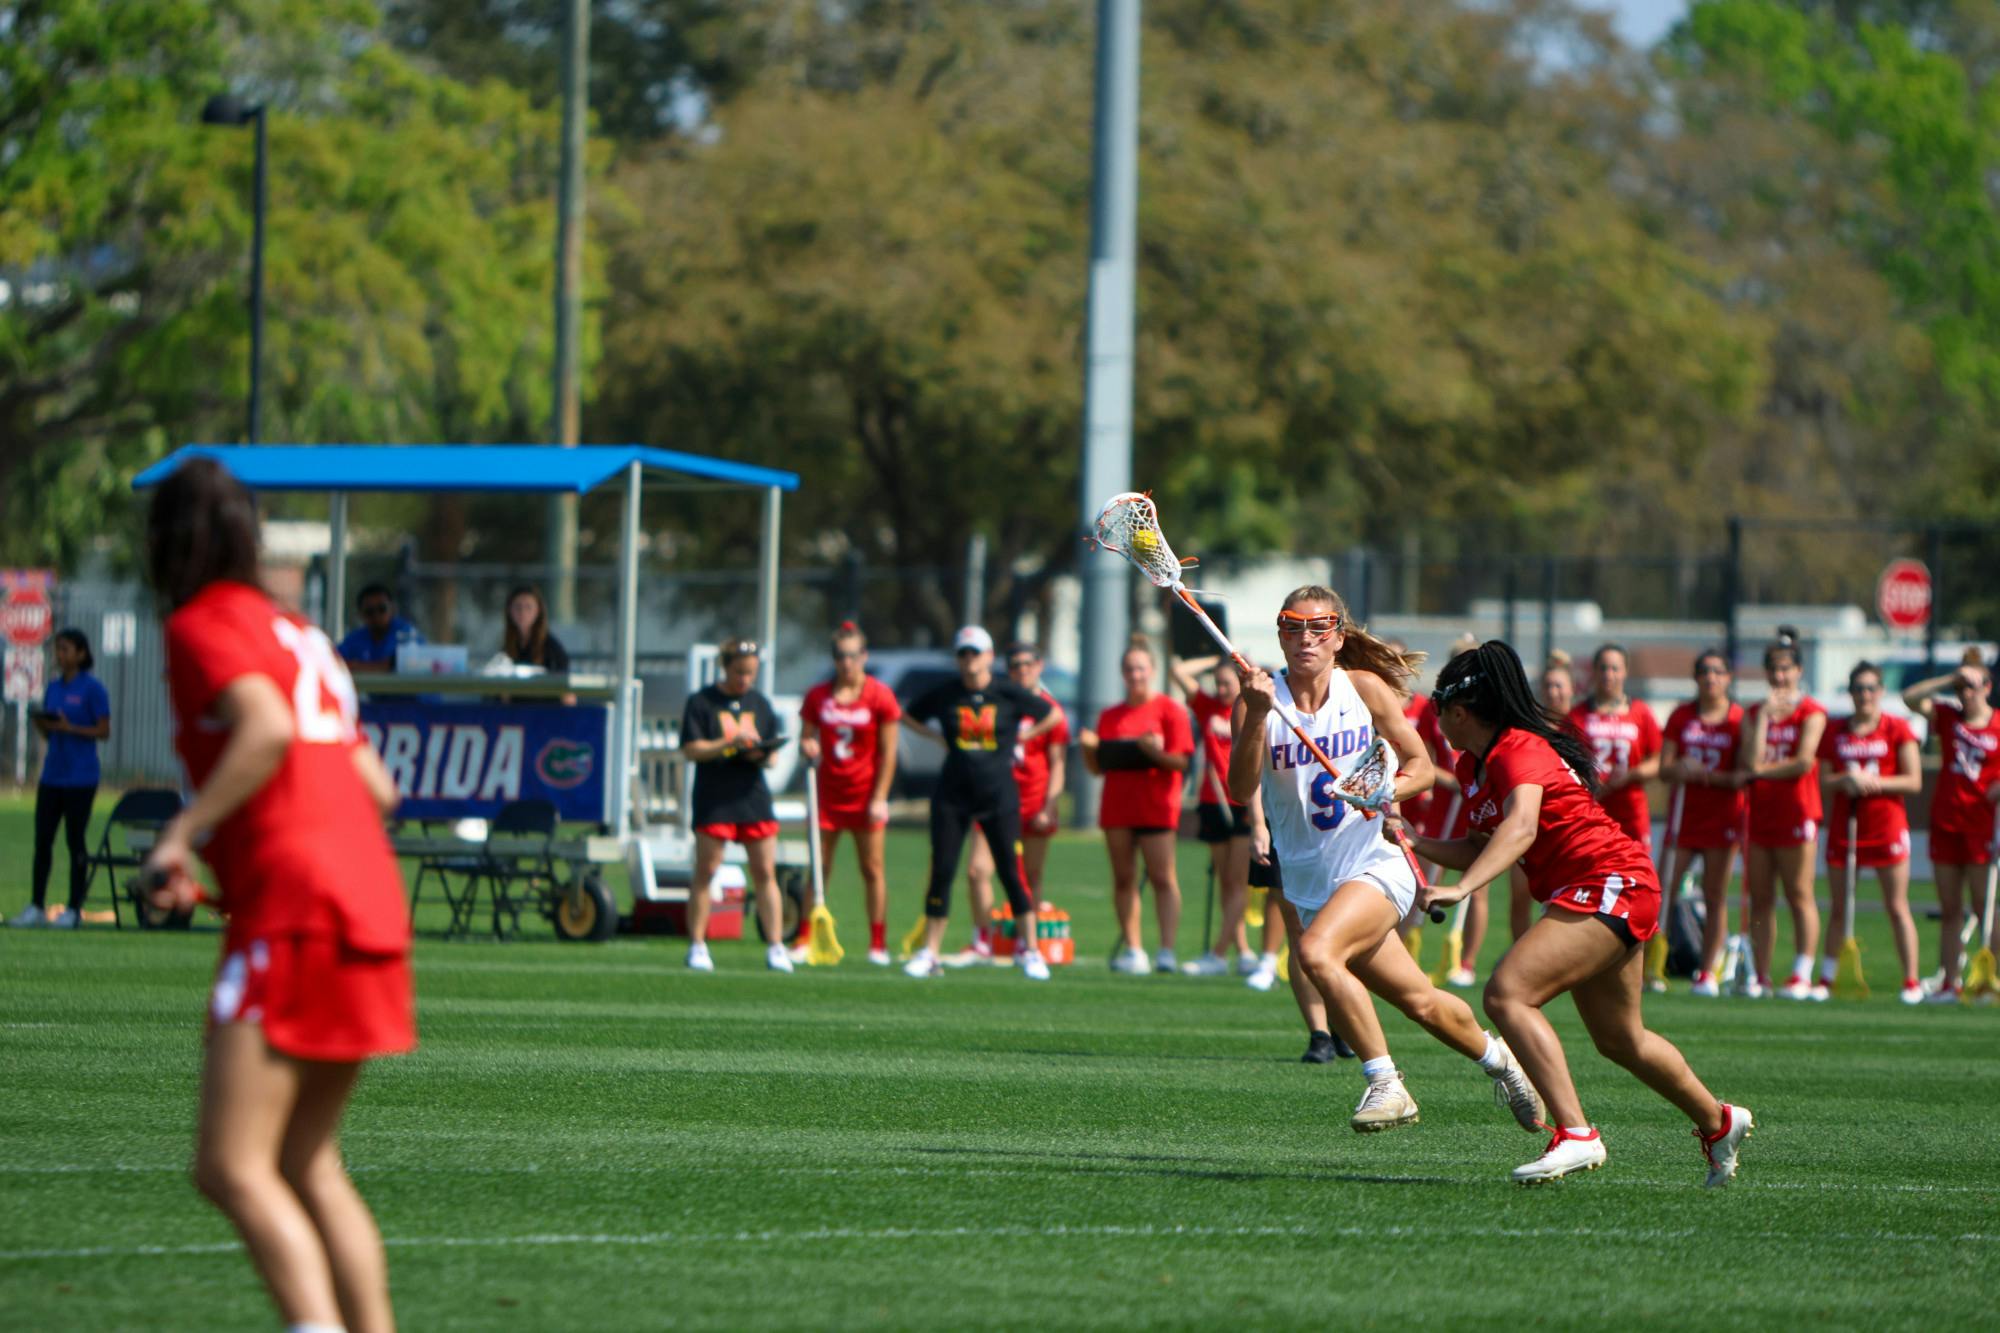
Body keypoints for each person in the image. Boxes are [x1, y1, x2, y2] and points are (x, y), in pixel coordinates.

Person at [140, 457, 412, 1332]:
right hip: (366, 898)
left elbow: (264, 727)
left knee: (229, 1165)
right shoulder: (303, 634)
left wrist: (183, 833)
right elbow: (374, 786)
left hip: (299, 905)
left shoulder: (201, 623)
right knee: (306, 1159)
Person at [1413, 640, 1752, 1186]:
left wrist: (1462, 891)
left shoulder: (1515, 749)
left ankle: (1576, 1134)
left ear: (1459, 711)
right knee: (1621, 1039)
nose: (1436, 723)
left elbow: (1519, 830)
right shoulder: (1472, 763)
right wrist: (1415, 840)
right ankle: (1719, 1122)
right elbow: (1482, 844)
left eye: (1437, 711)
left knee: (1506, 993)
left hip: (1611, 881)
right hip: (1599, 888)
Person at [1225, 586, 1544, 1135]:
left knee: (1318, 955)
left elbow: (1420, 766)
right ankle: (1503, 1063)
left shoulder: (1364, 689)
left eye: (1319, 627)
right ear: (1280, 635)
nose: (1306, 638)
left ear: (1338, 638)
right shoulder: (1259, 700)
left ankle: (1386, 1082)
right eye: (1293, 626)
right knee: (1420, 1000)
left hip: (1376, 863)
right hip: (1310, 880)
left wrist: (1381, 792)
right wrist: (1255, 716)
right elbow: (1239, 788)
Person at [901, 626, 1060, 980]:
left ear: (989, 656)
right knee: (942, 870)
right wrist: (935, 737)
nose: (970, 661)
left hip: (998, 794)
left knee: (1009, 871)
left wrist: (1025, 735)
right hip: (952, 795)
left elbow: (1052, 714)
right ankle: (930, 952)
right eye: (964, 654)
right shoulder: (946, 693)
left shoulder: (1006, 692)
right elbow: (907, 713)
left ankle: (1031, 951)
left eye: (976, 653)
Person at [1083, 637, 1195, 974]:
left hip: (1156, 805)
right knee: (1123, 878)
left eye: (1141, 668)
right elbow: (1097, 767)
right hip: (1118, 806)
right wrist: (1088, 749)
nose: (1135, 675)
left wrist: (1153, 752)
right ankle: (1133, 948)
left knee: (1162, 877)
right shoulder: (1110, 715)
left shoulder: (1169, 711)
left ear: (1152, 671)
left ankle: (1166, 949)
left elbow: (1181, 762)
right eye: (1130, 669)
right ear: (1122, 673)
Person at [1817, 662, 1924, 1003]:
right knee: (1839, 906)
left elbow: (1913, 780)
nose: (1865, 695)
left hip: (1886, 826)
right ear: (1850, 693)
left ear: (1880, 692)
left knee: (1896, 906)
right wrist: (1846, 781)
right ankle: (1827, 978)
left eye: (1871, 688)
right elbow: (1822, 779)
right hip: (1845, 827)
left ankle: (1911, 981)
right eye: (1858, 688)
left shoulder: (1896, 728)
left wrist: (1873, 783)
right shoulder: (1836, 731)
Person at [680, 637, 788, 973]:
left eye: (751, 673)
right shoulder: (702, 702)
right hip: (715, 796)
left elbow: (771, 759)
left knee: (765, 871)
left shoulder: (760, 702)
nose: (745, 679)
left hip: (752, 796)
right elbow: (691, 749)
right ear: (725, 667)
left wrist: (761, 752)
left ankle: (775, 946)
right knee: (707, 870)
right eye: (740, 672)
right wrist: (728, 744)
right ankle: (698, 945)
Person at [798, 622, 901, 966]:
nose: (847, 663)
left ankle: (877, 943)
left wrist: (880, 797)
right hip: (827, 795)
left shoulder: (880, 696)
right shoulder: (818, 696)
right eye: (841, 656)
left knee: (872, 868)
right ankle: (804, 936)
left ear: (864, 656)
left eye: (853, 656)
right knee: (819, 868)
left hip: (864, 796)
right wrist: (808, 745)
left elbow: (889, 751)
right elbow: (806, 738)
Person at [961, 643, 1068, 963]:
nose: (1022, 670)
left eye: (1027, 664)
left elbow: (1058, 763)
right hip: (993, 800)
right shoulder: (997, 704)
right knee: (977, 870)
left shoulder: (1049, 709)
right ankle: (983, 939)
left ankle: (1027, 942)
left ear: (1039, 666)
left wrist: (1050, 805)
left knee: (1030, 876)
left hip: (1033, 801)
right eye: (1015, 665)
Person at [1902, 654, 2000, 1001]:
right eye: (1961, 688)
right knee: (1950, 909)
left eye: (1971, 686)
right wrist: (1949, 679)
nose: (1965, 694)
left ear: (1987, 688)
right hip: (1946, 821)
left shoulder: (1999, 723)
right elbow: (1910, 697)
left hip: (1982, 827)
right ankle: (1949, 982)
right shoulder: (1947, 717)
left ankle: (1990, 980)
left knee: (1985, 907)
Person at [1736, 630, 1827, 1000]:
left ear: (1799, 671)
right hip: (1760, 814)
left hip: (1797, 811)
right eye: (1774, 669)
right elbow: (1749, 760)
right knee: (1761, 896)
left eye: (1786, 669)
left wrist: (1758, 772)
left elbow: (1803, 762)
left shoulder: (1812, 712)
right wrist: (1764, 722)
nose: (1780, 677)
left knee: (1799, 892)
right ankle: (1761, 974)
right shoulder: (1755, 713)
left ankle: (1802, 971)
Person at [1659, 650, 1748, 996]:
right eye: (1704, 672)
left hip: (1721, 817)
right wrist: (1680, 767)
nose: (1711, 678)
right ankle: (1655, 962)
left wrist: (1707, 775)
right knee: (1664, 889)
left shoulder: (1739, 718)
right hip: (1685, 817)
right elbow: (1665, 768)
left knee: (1714, 895)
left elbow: (1742, 774)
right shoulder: (1682, 715)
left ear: (1728, 678)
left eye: (1718, 672)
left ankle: (1708, 971)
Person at [12, 629, 111, 929]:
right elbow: (50, 731)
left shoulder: (93, 689)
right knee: (43, 841)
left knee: (74, 841)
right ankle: (36, 906)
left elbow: (103, 731)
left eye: (66, 649)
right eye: (58, 649)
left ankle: (72, 908)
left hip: (81, 777)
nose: (60, 655)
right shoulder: (53, 687)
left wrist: (71, 729)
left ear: (81, 653)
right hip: (52, 775)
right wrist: (45, 725)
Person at [1171, 653, 1259, 977]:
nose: (1222, 689)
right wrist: (1213, 657)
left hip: (1242, 803)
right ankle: (1242, 949)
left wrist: (1241, 668)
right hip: (1212, 800)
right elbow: (1178, 670)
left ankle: (1219, 952)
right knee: (1225, 881)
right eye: (1218, 683)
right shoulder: (1207, 706)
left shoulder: (1249, 709)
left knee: (1237, 881)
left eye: (1228, 682)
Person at [1507, 652, 1578, 940]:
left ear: (1571, 690)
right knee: (1520, 894)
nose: (1553, 692)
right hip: (1529, 821)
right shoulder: (1528, 730)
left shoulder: (1579, 729)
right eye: (1548, 686)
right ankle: (1519, 953)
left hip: (1565, 828)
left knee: (1559, 899)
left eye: (1559, 686)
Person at [1568, 643, 1662, 849]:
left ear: (1625, 672)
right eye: (1602, 668)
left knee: (1638, 871)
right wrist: (1587, 780)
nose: (1608, 674)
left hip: (1631, 809)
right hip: (1591, 807)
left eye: (1614, 668)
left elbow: (1658, 759)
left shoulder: (1640, 712)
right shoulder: (1577, 715)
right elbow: (1565, 762)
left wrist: (1631, 775)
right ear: (1594, 671)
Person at [336, 584, 423, 675]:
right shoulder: (356, 638)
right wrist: (383, 666)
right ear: (360, 614)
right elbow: (333, 662)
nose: (376, 615)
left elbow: (405, 664)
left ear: (392, 609)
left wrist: (356, 666)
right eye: (369, 611)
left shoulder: (406, 632)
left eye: (382, 609)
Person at [501, 585, 570, 672]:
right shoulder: (508, 644)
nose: (523, 613)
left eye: (528, 607)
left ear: (538, 611)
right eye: (518, 607)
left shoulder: (551, 648)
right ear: (509, 610)